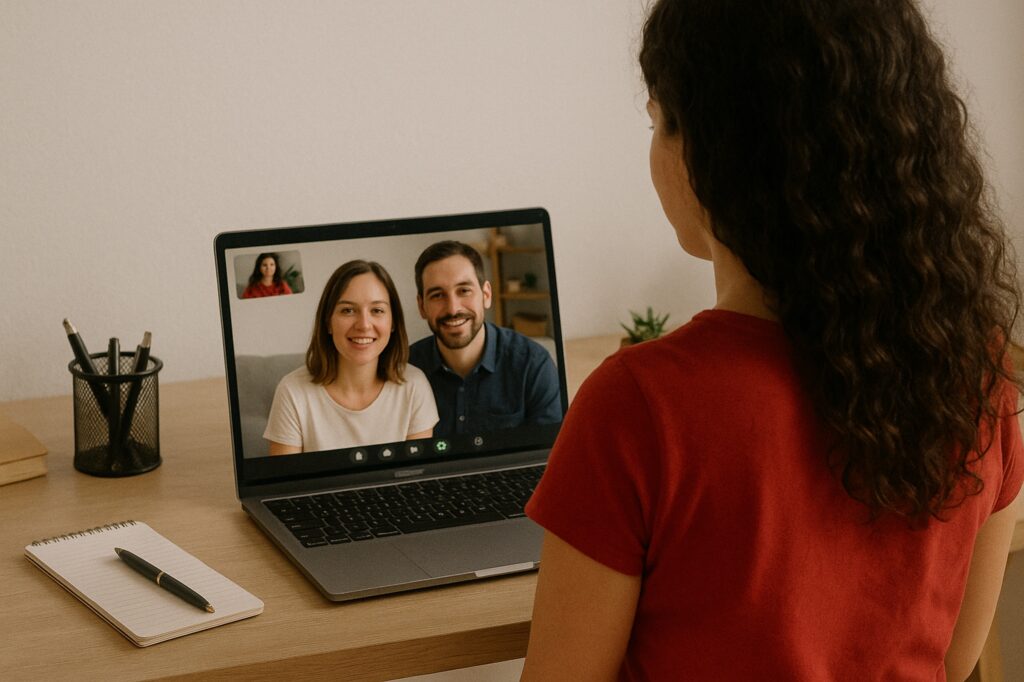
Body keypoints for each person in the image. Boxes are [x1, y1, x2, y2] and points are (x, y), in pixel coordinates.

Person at [522, 1, 1024, 680]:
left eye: (658, 122)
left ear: (711, 150)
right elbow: (957, 658)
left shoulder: (639, 406)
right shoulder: (977, 374)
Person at [264, 260, 437, 454]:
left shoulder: (414, 386)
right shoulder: (292, 391)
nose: (364, 325)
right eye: (348, 310)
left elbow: (415, 471)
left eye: (377, 310)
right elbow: (285, 474)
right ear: (328, 322)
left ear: (393, 323)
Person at [407, 240, 562, 436]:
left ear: (486, 294)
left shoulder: (534, 365)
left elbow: (552, 450)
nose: (453, 308)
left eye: (464, 290)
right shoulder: (403, 369)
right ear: (422, 306)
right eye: (437, 295)